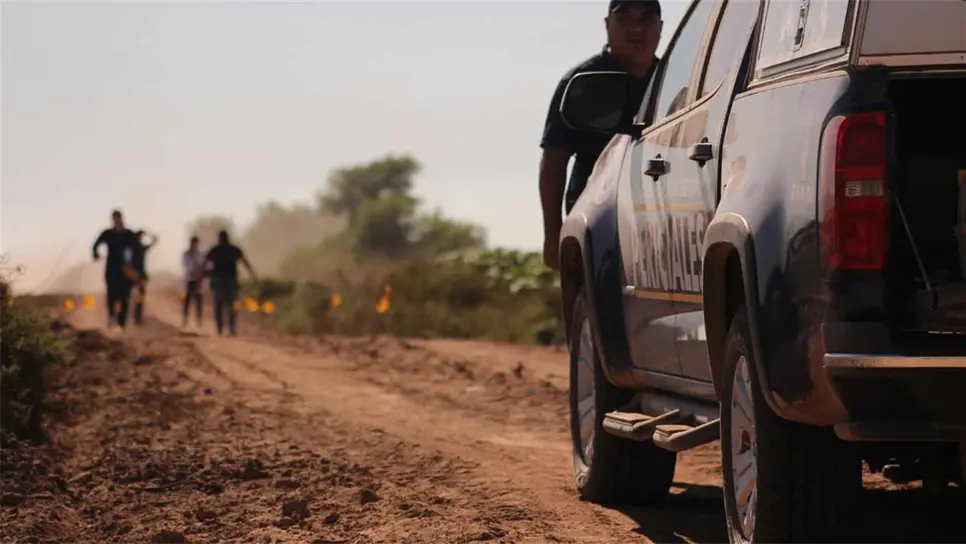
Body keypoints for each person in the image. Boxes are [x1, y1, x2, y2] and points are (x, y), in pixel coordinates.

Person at [539, 0, 663, 270]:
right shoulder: (582, 82)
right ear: (608, 25)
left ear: (660, 28)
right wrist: (552, 235)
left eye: (645, 19)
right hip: (596, 220)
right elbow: (554, 162)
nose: (636, 28)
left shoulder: (676, 80)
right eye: (625, 18)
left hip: (665, 220)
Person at [204, 230, 258, 336]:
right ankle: (232, 327)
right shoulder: (234, 250)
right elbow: (245, 262)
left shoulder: (215, 250)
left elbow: (204, 264)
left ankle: (220, 328)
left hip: (219, 281)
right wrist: (252, 274)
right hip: (231, 281)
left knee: (218, 305)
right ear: (228, 238)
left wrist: (202, 276)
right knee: (232, 305)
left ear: (219, 238)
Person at [92, 209, 138, 328]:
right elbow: (96, 244)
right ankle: (111, 317)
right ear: (113, 220)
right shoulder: (108, 234)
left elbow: (138, 247)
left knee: (125, 296)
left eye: (119, 218)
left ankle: (122, 324)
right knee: (111, 295)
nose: (117, 221)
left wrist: (136, 266)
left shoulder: (129, 234)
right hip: (111, 268)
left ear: (122, 218)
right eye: (115, 219)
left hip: (126, 269)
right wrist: (95, 254)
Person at [128, 230, 159, 326]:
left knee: (136, 297)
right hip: (136, 275)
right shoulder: (138, 247)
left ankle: (135, 318)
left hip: (135, 275)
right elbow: (153, 242)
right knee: (138, 298)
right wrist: (150, 236)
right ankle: (136, 318)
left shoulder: (133, 247)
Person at [181, 236, 206, 328]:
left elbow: (204, 265)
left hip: (199, 280)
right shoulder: (186, 254)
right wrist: (196, 269)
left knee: (199, 302)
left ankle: (199, 322)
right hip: (189, 279)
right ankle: (185, 320)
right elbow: (187, 265)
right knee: (187, 301)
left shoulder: (201, 254)